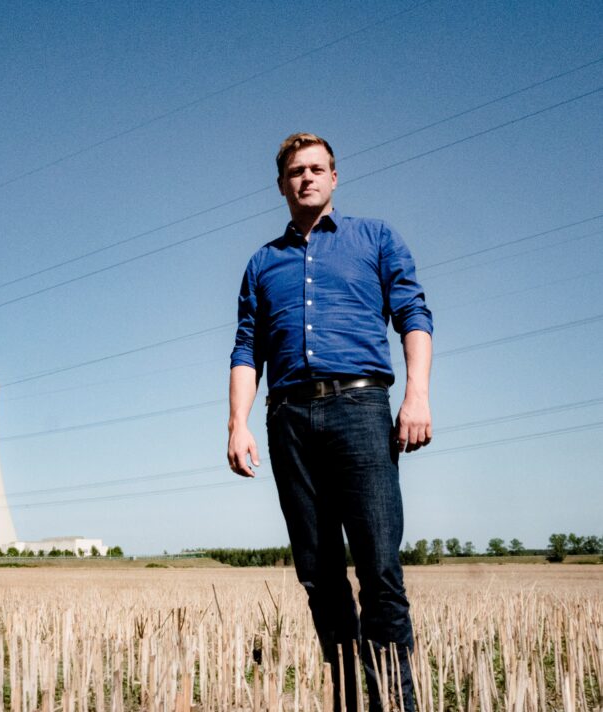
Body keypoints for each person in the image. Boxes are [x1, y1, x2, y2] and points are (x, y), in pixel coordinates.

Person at [227, 133, 432, 711]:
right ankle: (346, 699)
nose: (307, 178)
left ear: (335, 177)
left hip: (361, 410)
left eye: (317, 169)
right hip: (287, 417)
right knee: (319, 576)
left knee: (380, 569)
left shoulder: (376, 237)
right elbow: (247, 350)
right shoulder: (262, 262)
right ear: (282, 184)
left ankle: (394, 705)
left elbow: (414, 314)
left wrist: (417, 396)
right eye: (296, 171)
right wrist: (236, 423)